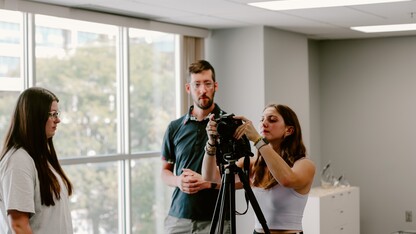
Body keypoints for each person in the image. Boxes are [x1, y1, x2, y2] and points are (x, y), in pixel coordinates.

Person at [202, 104, 316, 234]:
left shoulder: (304, 165)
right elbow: (210, 177)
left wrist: (257, 140)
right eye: (262, 119)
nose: (264, 123)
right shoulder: (252, 165)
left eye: (272, 120)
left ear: (289, 130)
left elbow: (286, 179)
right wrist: (211, 143)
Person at [161, 60, 230, 233]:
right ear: (188, 88)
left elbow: (243, 180)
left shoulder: (230, 127)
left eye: (207, 83)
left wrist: (208, 183)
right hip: (178, 219)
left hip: (216, 219)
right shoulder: (174, 127)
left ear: (215, 86)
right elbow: (165, 171)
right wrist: (178, 181)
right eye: (197, 84)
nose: (203, 90)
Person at [0, 87, 73, 234]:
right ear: (34, 117)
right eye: (51, 114)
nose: (58, 120)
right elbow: (19, 226)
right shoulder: (18, 161)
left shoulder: (39, 158)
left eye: (57, 113)